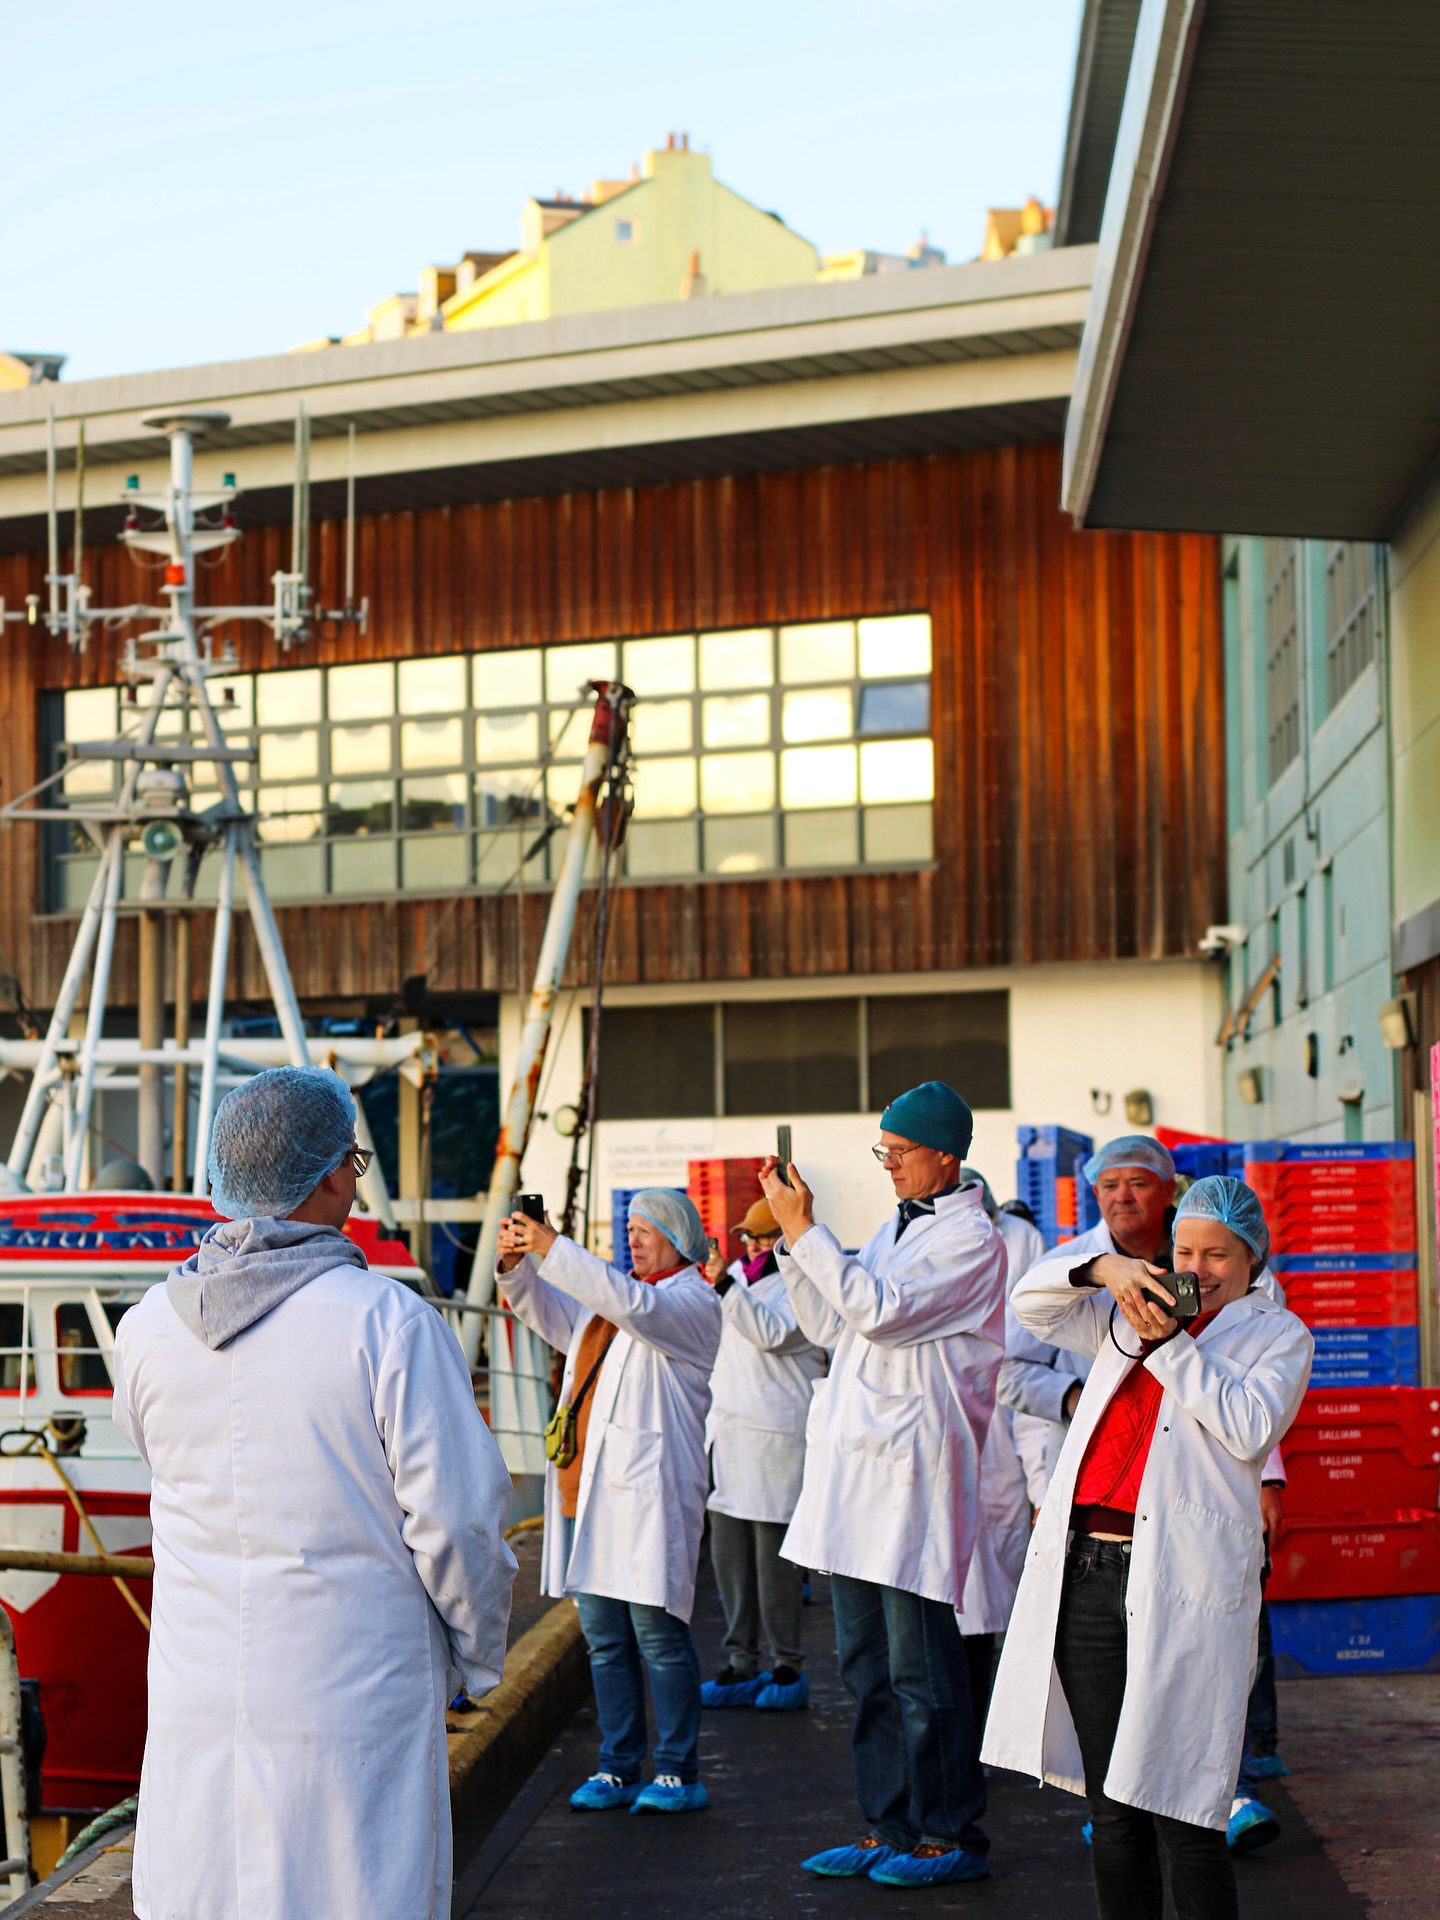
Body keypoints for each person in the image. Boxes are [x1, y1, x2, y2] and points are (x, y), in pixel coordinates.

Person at [111, 1066, 517, 1920]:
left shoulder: (146, 1328)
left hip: (199, 1695)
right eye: (355, 1161)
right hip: (354, 1691)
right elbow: (461, 1526)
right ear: (332, 1173)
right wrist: (474, 1658)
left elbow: (163, 1464)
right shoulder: (388, 1322)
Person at [982, 1175, 1314, 1920]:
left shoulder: (1279, 1336)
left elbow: (1249, 1425)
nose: (1198, 1268)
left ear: (1253, 1257)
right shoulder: (1125, 1314)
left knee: (1186, 1810)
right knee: (1114, 1808)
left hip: (1182, 1588)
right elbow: (1031, 1305)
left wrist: (1169, 1348)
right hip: (1090, 1576)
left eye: (1219, 1254)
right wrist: (1107, 1270)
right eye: (1185, 1249)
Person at [761, 1081, 1007, 1890]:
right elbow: (832, 1320)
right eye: (886, 1153)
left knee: (922, 1673)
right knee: (866, 1667)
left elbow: (880, 1310)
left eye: (899, 1153)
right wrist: (790, 1250)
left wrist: (808, 1231)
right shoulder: (896, 1229)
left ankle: (949, 1833)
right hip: (860, 1477)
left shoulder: (973, 1242)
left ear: (946, 1153)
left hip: (913, 1479)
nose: (890, 1166)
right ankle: (888, 1822)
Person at [498, 1187, 721, 1814]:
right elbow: (555, 1316)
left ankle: (679, 1768)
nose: (634, 1240)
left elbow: (632, 1304)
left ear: (678, 1238)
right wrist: (519, 1267)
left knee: (658, 1635)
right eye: (631, 1229)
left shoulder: (690, 1303)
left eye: (647, 1230)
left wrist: (552, 1245)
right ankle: (618, 1764)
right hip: (587, 1492)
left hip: (648, 1497)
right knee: (603, 1637)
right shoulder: (616, 1308)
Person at [700, 1197, 827, 1710]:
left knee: (773, 1564)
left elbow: (773, 1334)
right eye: (747, 1237)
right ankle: (740, 1660)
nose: (750, 1245)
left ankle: (786, 1664)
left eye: (761, 1237)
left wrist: (726, 1287)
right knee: (729, 1559)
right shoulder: (733, 1276)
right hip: (729, 1436)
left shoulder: (808, 1284)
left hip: (776, 1437)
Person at [953, 1167, 1039, 1735]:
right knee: (961, 1609)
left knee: (998, 1608)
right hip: (957, 1450)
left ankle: (998, 1728)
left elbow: (1027, 1370)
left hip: (1005, 1451)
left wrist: (1042, 1486)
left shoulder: (1019, 1247)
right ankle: (968, 1732)